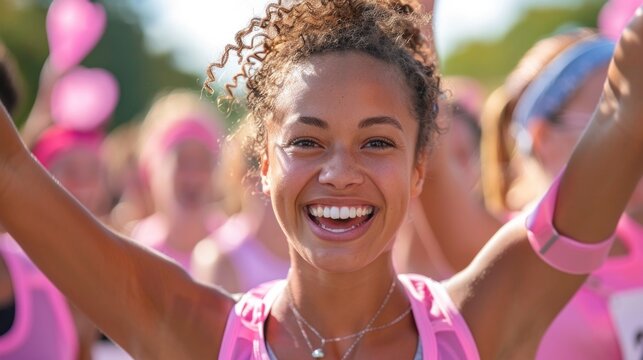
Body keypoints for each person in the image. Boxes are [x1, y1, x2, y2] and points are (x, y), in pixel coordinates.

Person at [0, 1, 642, 359]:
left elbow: (624, 109)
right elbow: (11, 173)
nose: (340, 173)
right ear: (262, 166)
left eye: (378, 142)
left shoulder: (480, 325)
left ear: (421, 171)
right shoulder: (193, 334)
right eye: (306, 141)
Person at [478, 27, 643, 359]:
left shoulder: (636, 238)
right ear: (543, 137)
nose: (633, 136)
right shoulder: (507, 247)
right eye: (608, 118)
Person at [130, 89, 227, 271]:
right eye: (182, 161)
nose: (193, 176)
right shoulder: (138, 247)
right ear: (153, 171)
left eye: (203, 162)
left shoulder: (233, 247)